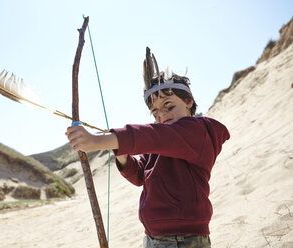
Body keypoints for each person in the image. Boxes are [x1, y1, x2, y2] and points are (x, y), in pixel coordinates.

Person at [65, 47, 230, 248]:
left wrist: (97, 141)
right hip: (153, 238)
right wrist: (122, 154)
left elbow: (153, 136)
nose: (162, 115)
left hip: (182, 239)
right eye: (154, 112)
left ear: (189, 102)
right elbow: (140, 176)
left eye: (169, 106)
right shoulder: (162, 141)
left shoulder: (197, 130)